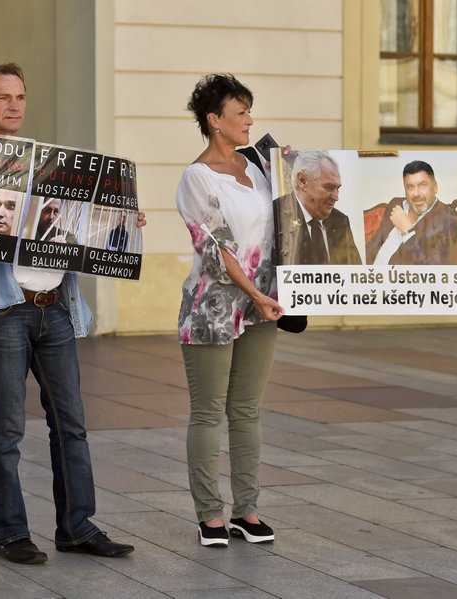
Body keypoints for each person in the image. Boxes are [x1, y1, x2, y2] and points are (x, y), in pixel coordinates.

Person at [0, 63, 137, 564]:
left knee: (72, 424)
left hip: (56, 306)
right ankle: (12, 534)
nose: (14, 105)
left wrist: (119, 219)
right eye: (2, 97)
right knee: (7, 428)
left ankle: (77, 527)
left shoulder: (48, 163)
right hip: (4, 309)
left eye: (20, 96)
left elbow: (75, 228)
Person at [176, 73, 283, 547]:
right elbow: (216, 248)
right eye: (240, 113)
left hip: (263, 306)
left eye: (249, 111)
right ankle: (209, 516)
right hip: (213, 307)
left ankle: (248, 510)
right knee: (208, 412)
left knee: (246, 410)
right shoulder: (195, 177)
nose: (249, 120)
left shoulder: (260, 165)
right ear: (214, 120)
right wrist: (255, 294)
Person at [365, 160, 457, 265]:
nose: (416, 193)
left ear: (435, 187)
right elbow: (374, 244)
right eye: (410, 187)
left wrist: (407, 231)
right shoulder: (396, 204)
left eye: (422, 185)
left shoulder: (451, 224)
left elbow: (431, 275)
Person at [273, 151, 361, 265]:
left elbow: (355, 273)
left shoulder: (340, 220)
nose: (336, 197)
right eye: (329, 187)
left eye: (337, 188)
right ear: (302, 181)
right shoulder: (277, 213)